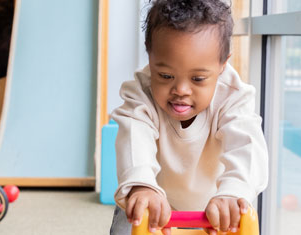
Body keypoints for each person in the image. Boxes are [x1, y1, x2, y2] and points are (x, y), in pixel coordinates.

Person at [109, 0, 268, 234]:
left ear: (223, 64)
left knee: (241, 215)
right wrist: (141, 185)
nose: (181, 90)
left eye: (198, 79)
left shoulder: (234, 97)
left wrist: (234, 191)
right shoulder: (140, 94)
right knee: (131, 215)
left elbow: (246, 145)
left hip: (216, 205)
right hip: (154, 199)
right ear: (150, 54)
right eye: (165, 75)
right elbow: (134, 138)